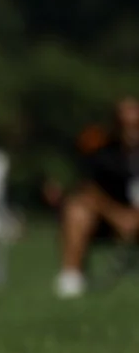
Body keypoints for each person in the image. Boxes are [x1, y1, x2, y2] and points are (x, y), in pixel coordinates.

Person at [56, 96, 139, 298]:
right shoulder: (100, 148)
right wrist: (118, 216)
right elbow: (86, 188)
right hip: (107, 220)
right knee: (76, 210)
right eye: (126, 124)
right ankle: (71, 279)